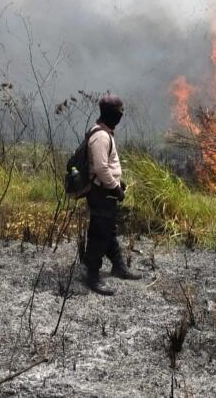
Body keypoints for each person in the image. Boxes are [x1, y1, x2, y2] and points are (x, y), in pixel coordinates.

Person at [83, 94, 141, 296]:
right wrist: (115, 188)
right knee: (99, 233)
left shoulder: (105, 132)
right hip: (101, 192)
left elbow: (106, 166)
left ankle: (118, 267)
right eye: (119, 112)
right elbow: (100, 168)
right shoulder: (100, 136)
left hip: (105, 189)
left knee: (109, 230)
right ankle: (92, 275)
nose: (121, 116)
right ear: (109, 113)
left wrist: (117, 182)